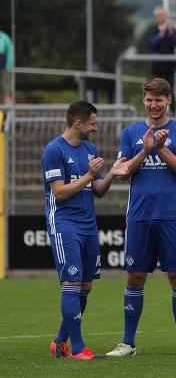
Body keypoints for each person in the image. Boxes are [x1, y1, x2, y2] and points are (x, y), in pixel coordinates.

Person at [106, 78, 176, 358]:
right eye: (148, 100)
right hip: (139, 216)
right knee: (135, 276)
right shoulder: (131, 132)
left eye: (158, 100)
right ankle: (128, 343)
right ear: (144, 101)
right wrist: (145, 149)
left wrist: (162, 148)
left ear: (169, 99)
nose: (153, 105)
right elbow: (122, 171)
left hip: (171, 215)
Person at [43, 101, 125, 360]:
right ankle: (78, 348)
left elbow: (97, 191)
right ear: (78, 123)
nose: (95, 127)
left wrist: (110, 173)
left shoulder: (89, 149)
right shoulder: (54, 150)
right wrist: (90, 176)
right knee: (72, 282)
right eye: (92, 122)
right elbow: (59, 192)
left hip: (89, 224)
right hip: (65, 224)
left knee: (85, 286)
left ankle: (59, 342)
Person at [147, 6, 176, 112]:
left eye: (164, 15)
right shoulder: (153, 29)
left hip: (169, 67)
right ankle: (156, 112)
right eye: (160, 15)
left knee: (170, 91)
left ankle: (173, 113)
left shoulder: (172, 30)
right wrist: (161, 34)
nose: (162, 17)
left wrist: (170, 32)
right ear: (156, 17)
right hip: (157, 68)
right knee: (156, 91)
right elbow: (152, 44)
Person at [0, 27, 13, 104]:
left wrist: (8, 67)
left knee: (6, 92)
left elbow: (10, 53)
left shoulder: (4, 37)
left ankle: (9, 115)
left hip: (4, 69)